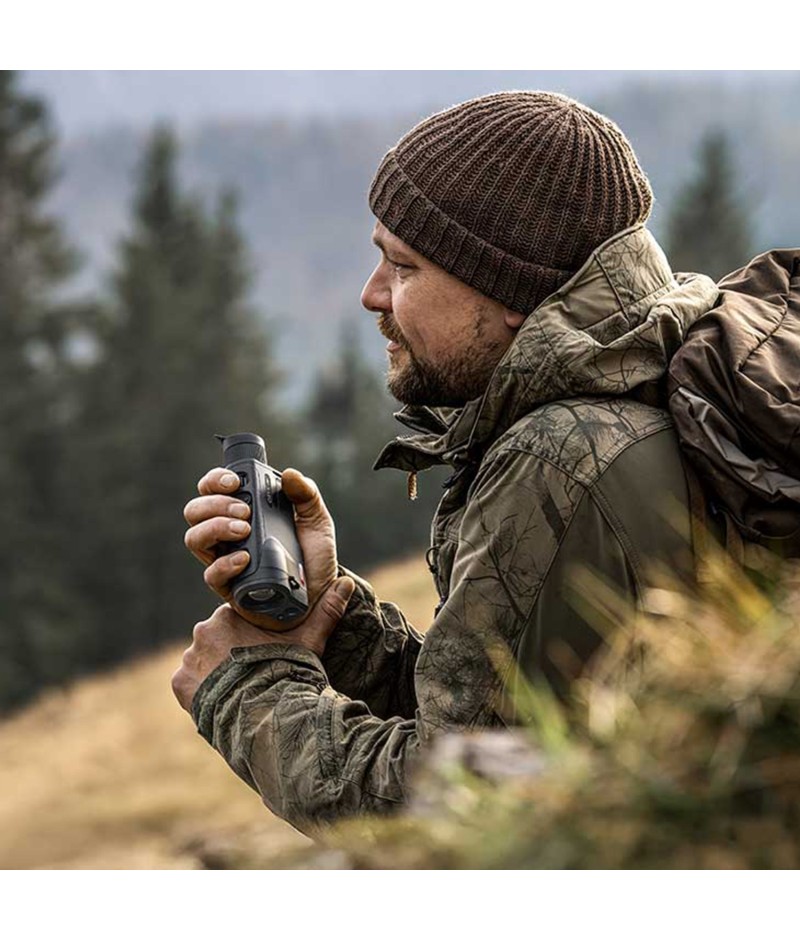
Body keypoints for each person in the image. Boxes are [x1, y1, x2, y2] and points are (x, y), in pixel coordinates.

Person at [171, 91, 719, 832]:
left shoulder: (561, 458)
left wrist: (249, 685)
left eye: (405, 267)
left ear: (512, 292)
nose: (373, 296)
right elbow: (519, 729)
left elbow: (461, 814)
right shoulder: (648, 390)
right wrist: (334, 619)